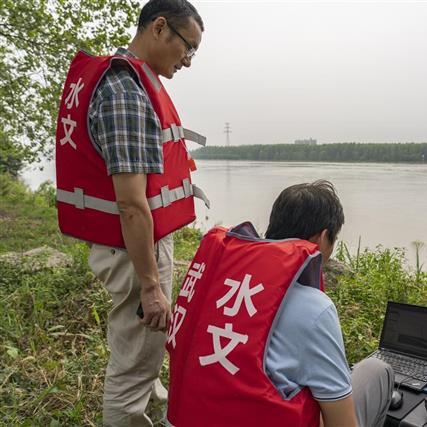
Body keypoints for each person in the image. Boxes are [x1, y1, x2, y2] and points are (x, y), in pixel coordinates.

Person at [55, 1, 206, 425]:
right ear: (160, 28)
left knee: (143, 355)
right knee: (133, 370)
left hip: (129, 247)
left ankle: (155, 416)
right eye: (188, 47)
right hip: (135, 250)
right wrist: (150, 286)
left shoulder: (126, 82)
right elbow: (132, 203)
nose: (189, 61)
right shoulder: (126, 93)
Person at [166, 180, 394, 427]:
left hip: (189, 417)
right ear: (323, 237)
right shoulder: (315, 308)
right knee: (375, 371)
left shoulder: (213, 283)